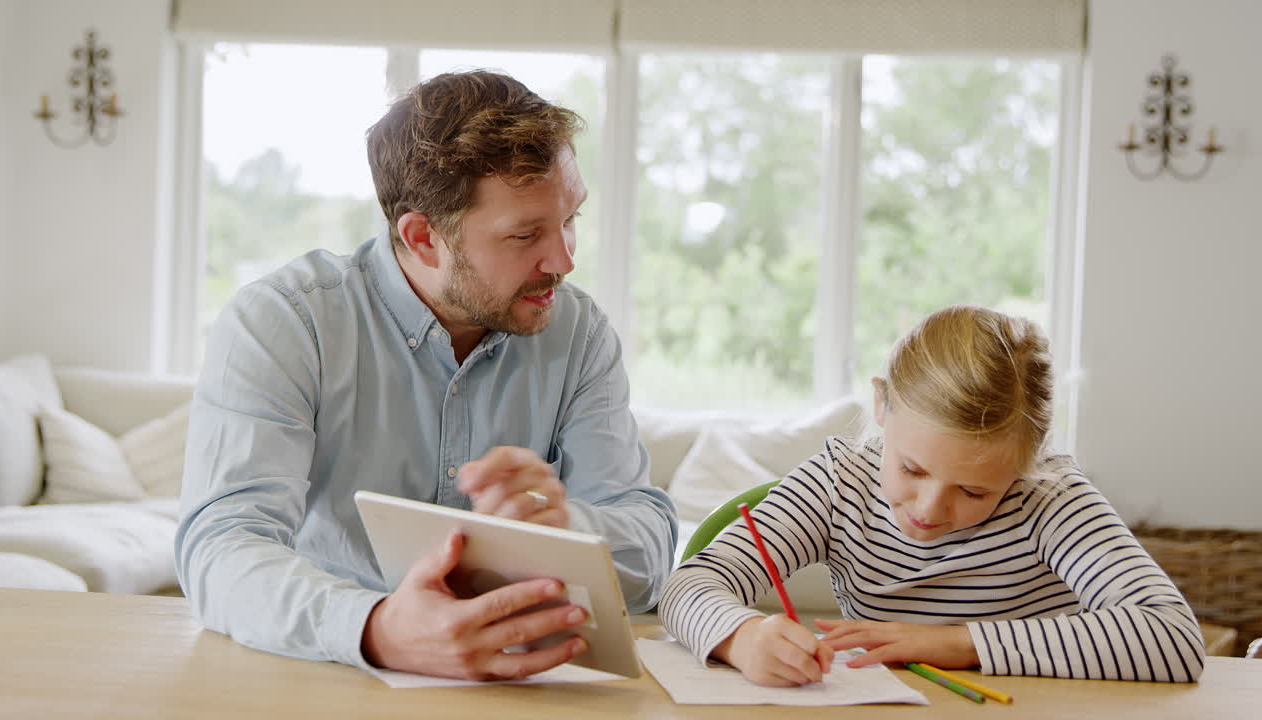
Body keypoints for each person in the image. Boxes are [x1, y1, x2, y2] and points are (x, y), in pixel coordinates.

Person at [176, 70, 677, 681]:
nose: (565, 260)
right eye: (526, 235)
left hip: (534, 683)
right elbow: (221, 547)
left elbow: (650, 551)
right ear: (422, 237)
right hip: (329, 673)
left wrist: (568, 525)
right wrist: (377, 627)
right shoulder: (285, 322)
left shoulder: (579, 334)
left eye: (570, 218)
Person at [659, 305, 1205, 686]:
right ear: (881, 408)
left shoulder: (1050, 500)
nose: (928, 509)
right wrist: (742, 635)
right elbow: (688, 586)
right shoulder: (840, 481)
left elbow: (1174, 636)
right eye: (912, 469)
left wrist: (956, 644)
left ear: (1030, 460)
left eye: (973, 490)